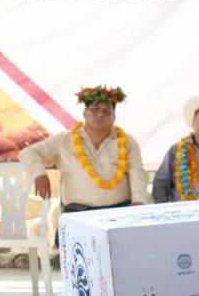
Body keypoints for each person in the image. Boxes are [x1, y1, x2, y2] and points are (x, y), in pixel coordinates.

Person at [20, 85, 149, 244]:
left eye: (106, 111)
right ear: (85, 114)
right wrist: (39, 174)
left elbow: (137, 172)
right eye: (94, 109)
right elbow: (28, 152)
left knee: (119, 263)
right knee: (78, 265)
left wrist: (139, 203)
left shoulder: (127, 141)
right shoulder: (64, 140)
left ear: (113, 117)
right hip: (77, 215)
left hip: (118, 213)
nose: (99, 115)